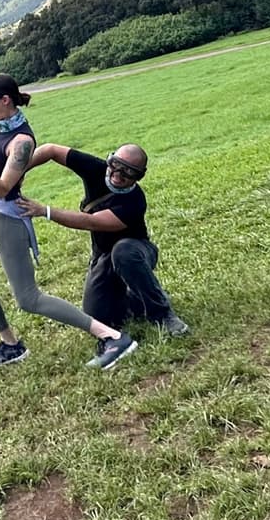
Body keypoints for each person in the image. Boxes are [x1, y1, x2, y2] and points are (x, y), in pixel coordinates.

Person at [0, 74, 139, 370]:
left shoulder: (23, 141)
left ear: (6, 100)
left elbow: (3, 187)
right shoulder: (3, 126)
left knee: (28, 298)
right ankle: (11, 345)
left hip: (7, 215)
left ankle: (113, 337)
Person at [10, 140, 191, 361]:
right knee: (98, 315)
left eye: (129, 171)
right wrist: (15, 172)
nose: (118, 174)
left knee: (123, 252)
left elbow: (92, 222)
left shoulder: (134, 201)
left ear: (138, 177)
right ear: (110, 159)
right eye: (116, 164)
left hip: (136, 250)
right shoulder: (97, 169)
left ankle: (162, 314)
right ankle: (139, 298)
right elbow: (51, 150)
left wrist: (44, 210)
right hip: (103, 255)